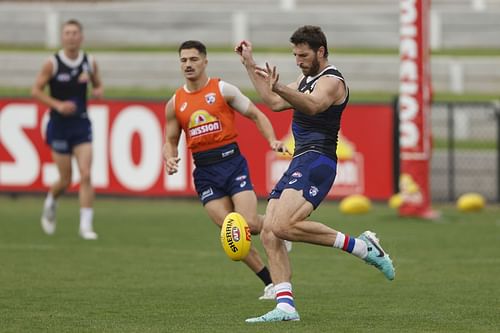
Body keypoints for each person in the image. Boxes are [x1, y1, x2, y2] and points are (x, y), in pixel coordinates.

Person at [235, 25, 395, 322]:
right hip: (300, 160)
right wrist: (248, 64)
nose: (298, 60)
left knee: (281, 226)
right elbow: (272, 102)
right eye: (295, 55)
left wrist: (280, 86)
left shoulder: (332, 81)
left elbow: (313, 106)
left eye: (303, 55)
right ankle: (285, 306)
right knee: (270, 232)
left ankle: (362, 247)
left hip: (319, 160)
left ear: (321, 51)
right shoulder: (305, 78)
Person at [162, 40, 290, 300]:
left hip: (232, 164)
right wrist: (170, 157)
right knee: (232, 234)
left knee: (250, 224)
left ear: (205, 61)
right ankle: (270, 283)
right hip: (206, 173)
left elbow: (256, 114)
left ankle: (280, 228)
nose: (188, 64)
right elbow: (170, 140)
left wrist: (272, 140)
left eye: (193, 59)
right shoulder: (175, 103)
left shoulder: (222, 89)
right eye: (183, 60)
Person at [32, 19, 103, 240]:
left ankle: (85, 225)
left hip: (81, 124)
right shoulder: (52, 63)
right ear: (63, 37)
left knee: (86, 174)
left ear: (81, 37)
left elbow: (97, 83)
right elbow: (36, 90)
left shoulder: (89, 61)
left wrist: (98, 90)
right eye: (67, 33)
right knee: (65, 179)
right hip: (59, 126)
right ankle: (51, 201)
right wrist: (58, 105)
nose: (71, 36)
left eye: (75, 33)